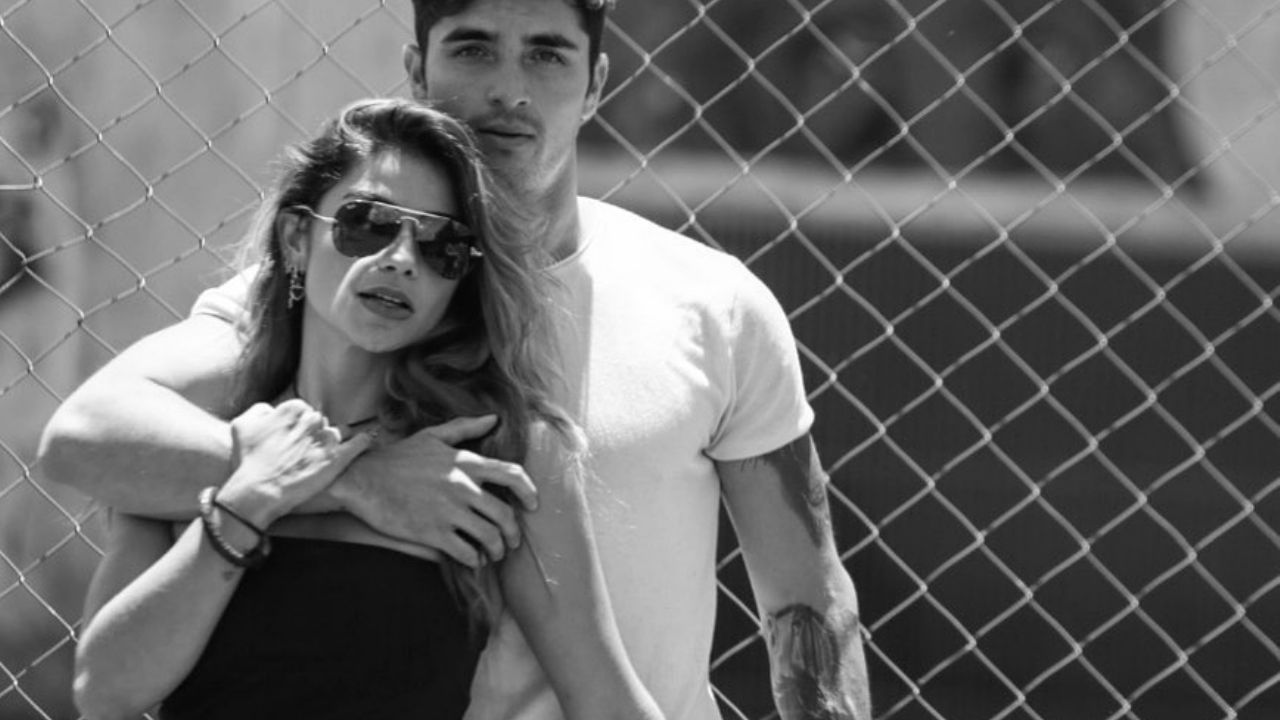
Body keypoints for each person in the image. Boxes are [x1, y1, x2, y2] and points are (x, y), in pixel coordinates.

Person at [39, 1, 872, 719]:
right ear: (417, 70)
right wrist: (356, 480)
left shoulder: (710, 307)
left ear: (596, 83)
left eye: (547, 54)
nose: (509, 88)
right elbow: (87, 436)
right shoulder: (295, 316)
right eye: (473, 48)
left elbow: (805, 595)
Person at [68, 97, 662, 720]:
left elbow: (606, 700)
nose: (402, 259)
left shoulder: (497, 453)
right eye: (368, 224)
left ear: (460, 281)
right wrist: (252, 499)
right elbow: (105, 691)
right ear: (297, 238)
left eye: (441, 245)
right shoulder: (205, 438)